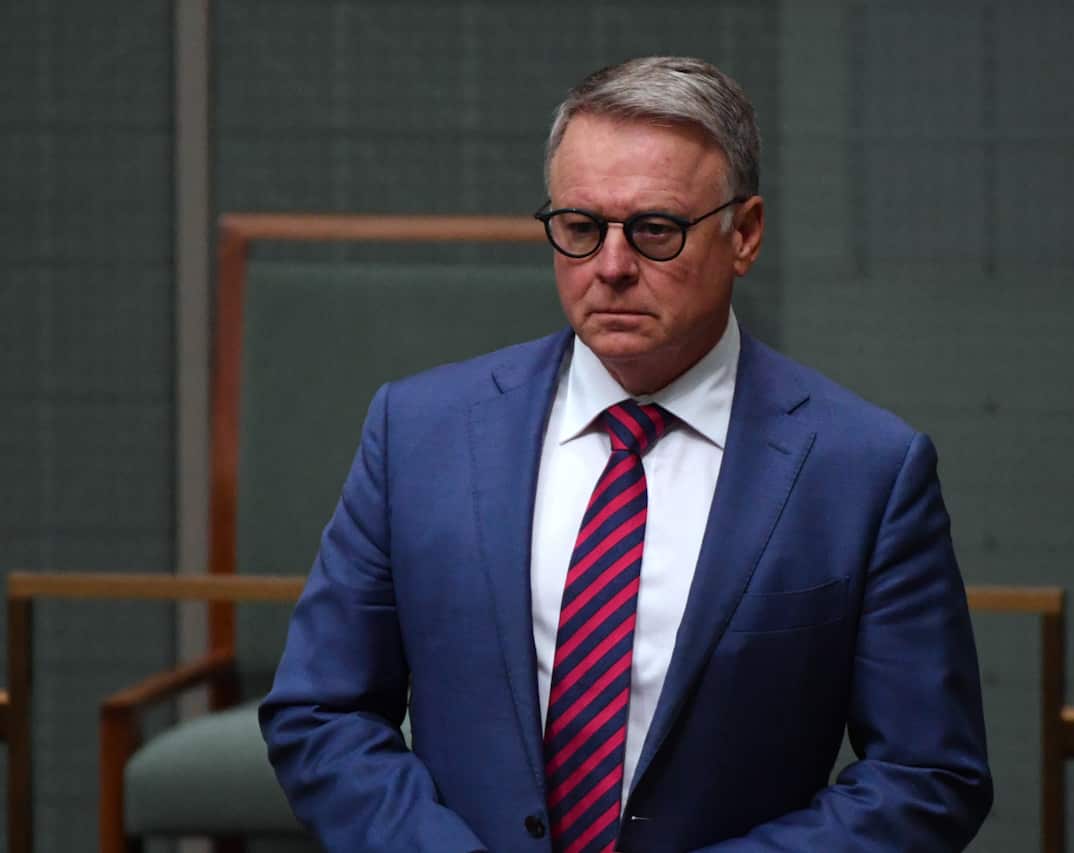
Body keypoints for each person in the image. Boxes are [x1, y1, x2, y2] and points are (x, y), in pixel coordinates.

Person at [260, 56, 992, 852]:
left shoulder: (865, 471)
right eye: (579, 228)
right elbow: (321, 710)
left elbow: (927, 774)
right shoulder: (419, 432)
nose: (610, 267)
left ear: (743, 234)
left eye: (654, 230)